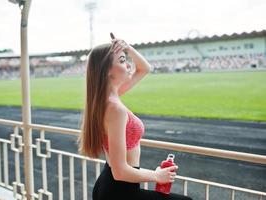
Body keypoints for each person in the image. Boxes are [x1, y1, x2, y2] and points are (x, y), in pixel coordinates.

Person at [78, 33, 193, 200]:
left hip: (111, 185)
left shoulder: (108, 98)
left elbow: (145, 68)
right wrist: (157, 176)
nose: (129, 65)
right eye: (123, 61)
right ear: (108, 71)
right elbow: (120, 171)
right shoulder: (114, 108)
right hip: (119, 191)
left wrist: (127, 48)